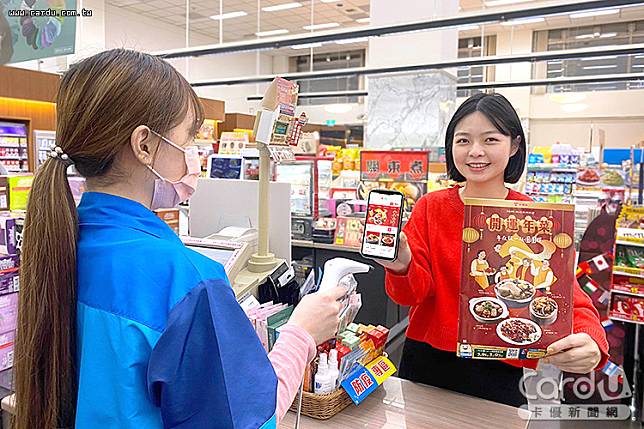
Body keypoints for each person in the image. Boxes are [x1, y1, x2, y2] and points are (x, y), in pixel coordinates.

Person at [14, 49, 345, 429]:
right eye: (188, 139)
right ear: (144, 145)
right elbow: (245, 421)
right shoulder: (186, 281)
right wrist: (301, 334)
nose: (193, 156)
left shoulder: (56, 246)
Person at [376, 93, 609, 407]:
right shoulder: (431, 207)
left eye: (490, 139)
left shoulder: (534, 219)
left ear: (514, 146)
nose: (475, 152)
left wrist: (591, 339)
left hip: (502, 362)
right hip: (428, 360)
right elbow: (411, 296)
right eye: (463, 140)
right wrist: (400, 265)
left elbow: (567, 296)